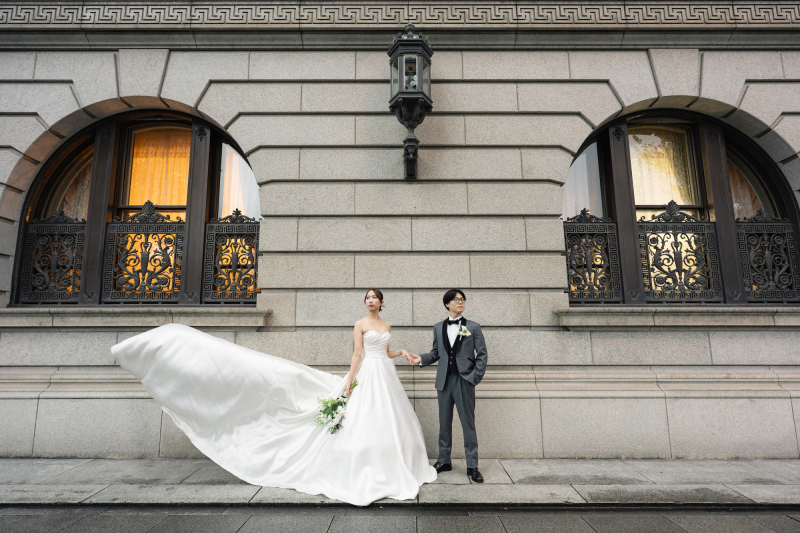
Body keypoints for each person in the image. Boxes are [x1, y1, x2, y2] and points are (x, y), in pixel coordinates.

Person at [111, 289, 436, 507]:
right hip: (367, 373)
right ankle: (367, 466)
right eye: (366, 298)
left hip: (386, 374)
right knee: (364, 418)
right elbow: (358, 355)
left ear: (382, 303)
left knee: (390, 420)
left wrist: (401, 352)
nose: (370, 302)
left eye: (374, 298)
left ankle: (393, 462)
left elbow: (383, 349)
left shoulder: (386, 324)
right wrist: (349, 384)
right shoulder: (359, 324)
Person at [405, 289, 488, 483]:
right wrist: (420, 359)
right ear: (447, 304)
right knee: (444, 422)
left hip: (464, 380)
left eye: (462, 300)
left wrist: (475, 376)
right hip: (443, 381)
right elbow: (436, 353)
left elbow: (482, 354)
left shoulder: (473, 327)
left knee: (468, 423)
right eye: (456, 300)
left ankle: (472, 465)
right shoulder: (438, 327)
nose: (461, 302)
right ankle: (444, 460)